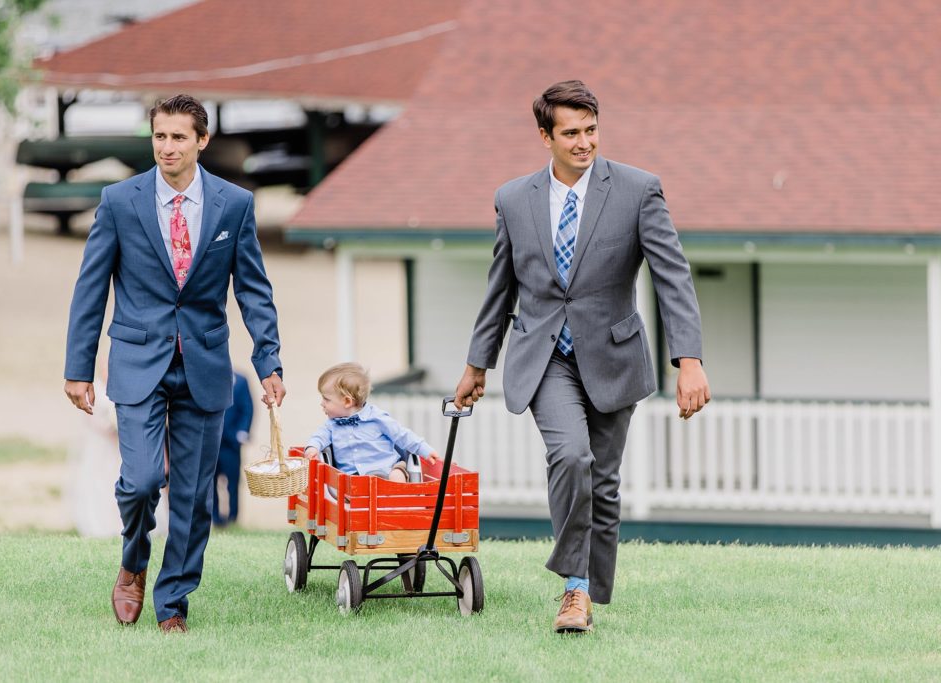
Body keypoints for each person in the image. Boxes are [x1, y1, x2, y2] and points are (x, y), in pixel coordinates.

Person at [453, 80, 710, 634]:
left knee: (604, 481)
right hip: (544, 357)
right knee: (571, 457)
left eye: (591, 130)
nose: (584, 142)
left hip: (614, 357)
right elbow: (501, 287)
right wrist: (478, 363)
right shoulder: (513, 199)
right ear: (545, 136)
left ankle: (585, 591)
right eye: (570, 133)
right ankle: (574, 590)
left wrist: (688, 359)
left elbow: (673, 278)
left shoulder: (639, 190)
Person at [63, 94, 286, 634]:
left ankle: (173, 605)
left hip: (205, 363)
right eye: (160, 136)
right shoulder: (120, 201)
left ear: (201, 141)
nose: (167, 147)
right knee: (141, 480)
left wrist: (269, 361)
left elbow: (253, 291)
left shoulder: (234, 205)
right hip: (138, 361)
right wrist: (79, 366)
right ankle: (134, 560)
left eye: (179, 137)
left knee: (192, 493)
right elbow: (91, 288)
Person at [304, 362, 437, 481]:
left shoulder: (377, 418)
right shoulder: (331, 425)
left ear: (347, 401)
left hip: (387, 470)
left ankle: (396, 496)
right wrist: (312, 448)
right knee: (348, 488)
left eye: (326, 399)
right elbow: (319, 436)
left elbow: (402, 434)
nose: (322, 404)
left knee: (397, 474)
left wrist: (426, 450)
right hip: (354, 478)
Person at [212, 370, 254, 526]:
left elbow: (247, 408)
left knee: (233, 482)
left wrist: (241, 433)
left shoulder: (241, 380)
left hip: (231, 444)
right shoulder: (208, 377)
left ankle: (233, 518)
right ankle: (215, 518)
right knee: (210, 482)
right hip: (212, 442)